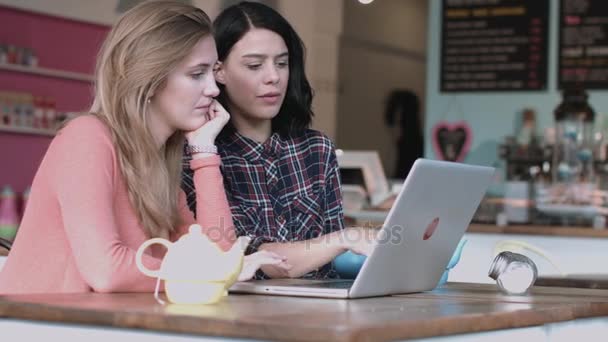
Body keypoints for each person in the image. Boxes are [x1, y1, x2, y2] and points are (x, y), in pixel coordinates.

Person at [0, 0, 288, 295]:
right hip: (34, 328)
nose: (214, 89)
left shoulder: (159, 165)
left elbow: (219, 256)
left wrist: (205, 151)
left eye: (212, 72)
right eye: (196, 73)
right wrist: (216, 273)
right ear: (149, 79)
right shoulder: (85, 137)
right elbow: (106, 271)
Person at [182, 1, 377, 280]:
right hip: (240, 314)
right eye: (254, 65)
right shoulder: (200, 157)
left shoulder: (317, 150)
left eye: (282, 63)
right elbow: (246, 257)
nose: (273, 77)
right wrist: (344, 238)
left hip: (318, 311)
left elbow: (335, 259)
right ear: (218, 71)